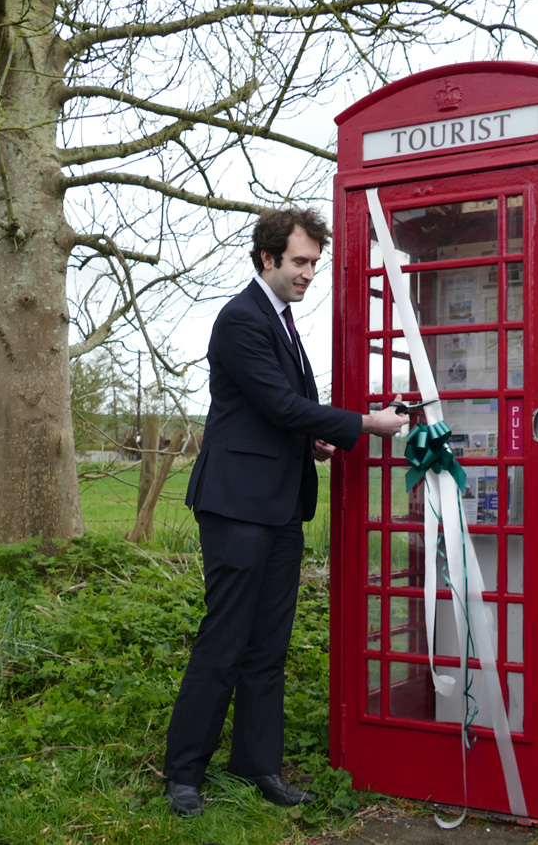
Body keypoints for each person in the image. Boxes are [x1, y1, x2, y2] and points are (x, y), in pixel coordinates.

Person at [163, 206, 408, 818]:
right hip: (237, 504)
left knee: (268, 644)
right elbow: (277, 403)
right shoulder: (240, 319)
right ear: (268, 258)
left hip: (279, 505)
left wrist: (314, 440)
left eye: (315, 264)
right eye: (300, 262)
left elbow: (284, 412)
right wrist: (361, 425)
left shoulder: (284, 320)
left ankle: (257, 765)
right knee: (224, 641)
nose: (309, 274)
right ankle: (184, 774)